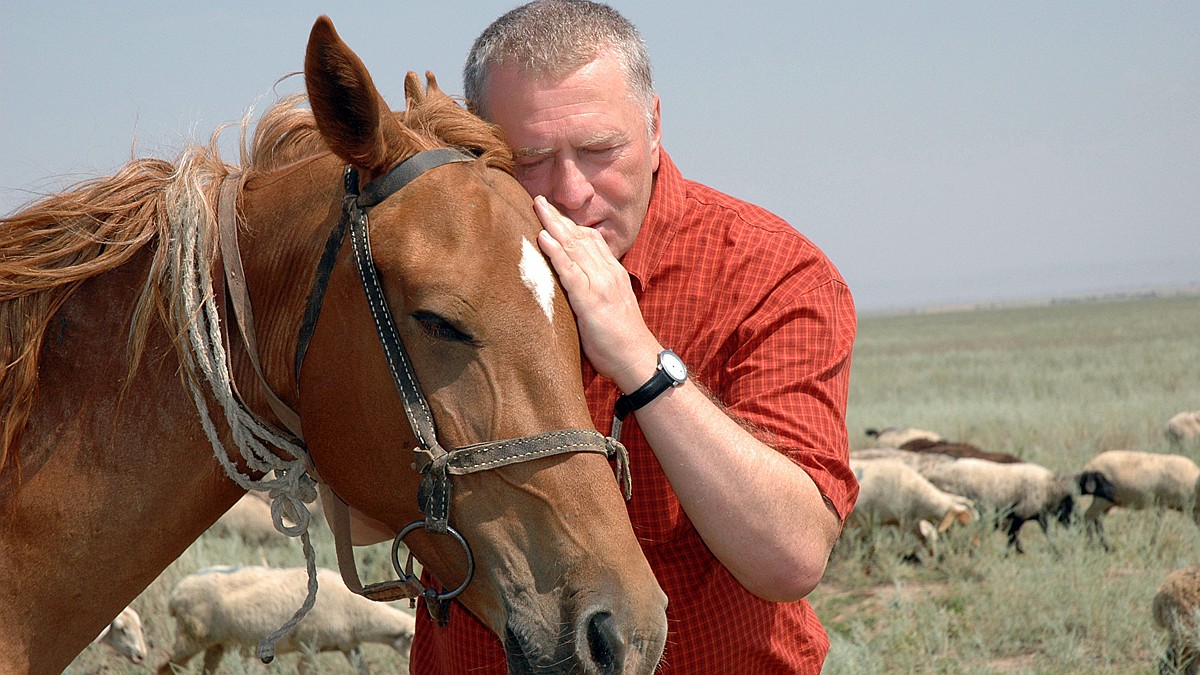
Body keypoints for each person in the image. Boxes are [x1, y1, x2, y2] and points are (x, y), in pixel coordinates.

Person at [410, 1, 858, 672]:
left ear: (653, 125)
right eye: (529, 159)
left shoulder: (772, 272)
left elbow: (789, 557)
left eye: (599, 150)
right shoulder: (432, 286)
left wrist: (640, 359)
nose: (572, 192)